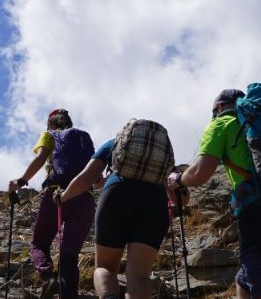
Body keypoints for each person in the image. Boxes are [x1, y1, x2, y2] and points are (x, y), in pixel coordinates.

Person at [166, 89, 261, 299]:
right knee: (247, 277)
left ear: (218, 107)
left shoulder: (222, 123)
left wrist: (179, 180)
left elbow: (200, 173)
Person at [57, 124, 176, 299]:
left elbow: (86, 178)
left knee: (105, 267)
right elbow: (181, 197)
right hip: (155, 201)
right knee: (139, 275)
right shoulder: (161, 156)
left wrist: (63, 197)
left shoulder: (113, 144)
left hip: (116, 195)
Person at [8, 109, 95, 299]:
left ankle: (47, 277)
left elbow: (41, 158)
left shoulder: (49, 134)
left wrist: (21, 182)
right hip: (85, 198)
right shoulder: (84, 138)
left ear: (52, 124)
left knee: (39, 244)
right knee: (69, 255)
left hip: (56, 193)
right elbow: (95, 173)